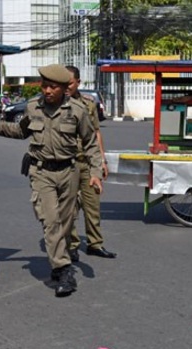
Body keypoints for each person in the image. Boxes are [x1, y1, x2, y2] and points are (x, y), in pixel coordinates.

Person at [0, 64, 103, 297]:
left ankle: (60, 258)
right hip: (41, 172)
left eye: (53, 86)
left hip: (69, 172)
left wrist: (95, 173)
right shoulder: (33, 107)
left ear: (64, 88)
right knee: (50, 221)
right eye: (44, 86)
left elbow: (91, 143)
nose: (47, 90)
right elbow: (20, 131)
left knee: (66, 220)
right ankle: (63, 269)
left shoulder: (78, 111)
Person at [65, 65, 117, 261]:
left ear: (78, 82)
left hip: (87, 161)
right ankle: (71, 245)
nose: (66, 87)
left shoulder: (88, 104)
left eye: (69, 83)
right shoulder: (58, 104)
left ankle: (95, 244)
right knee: (69, 208)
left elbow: (96, 133)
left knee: (92, 203)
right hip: (68, 164)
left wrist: (101, 160)